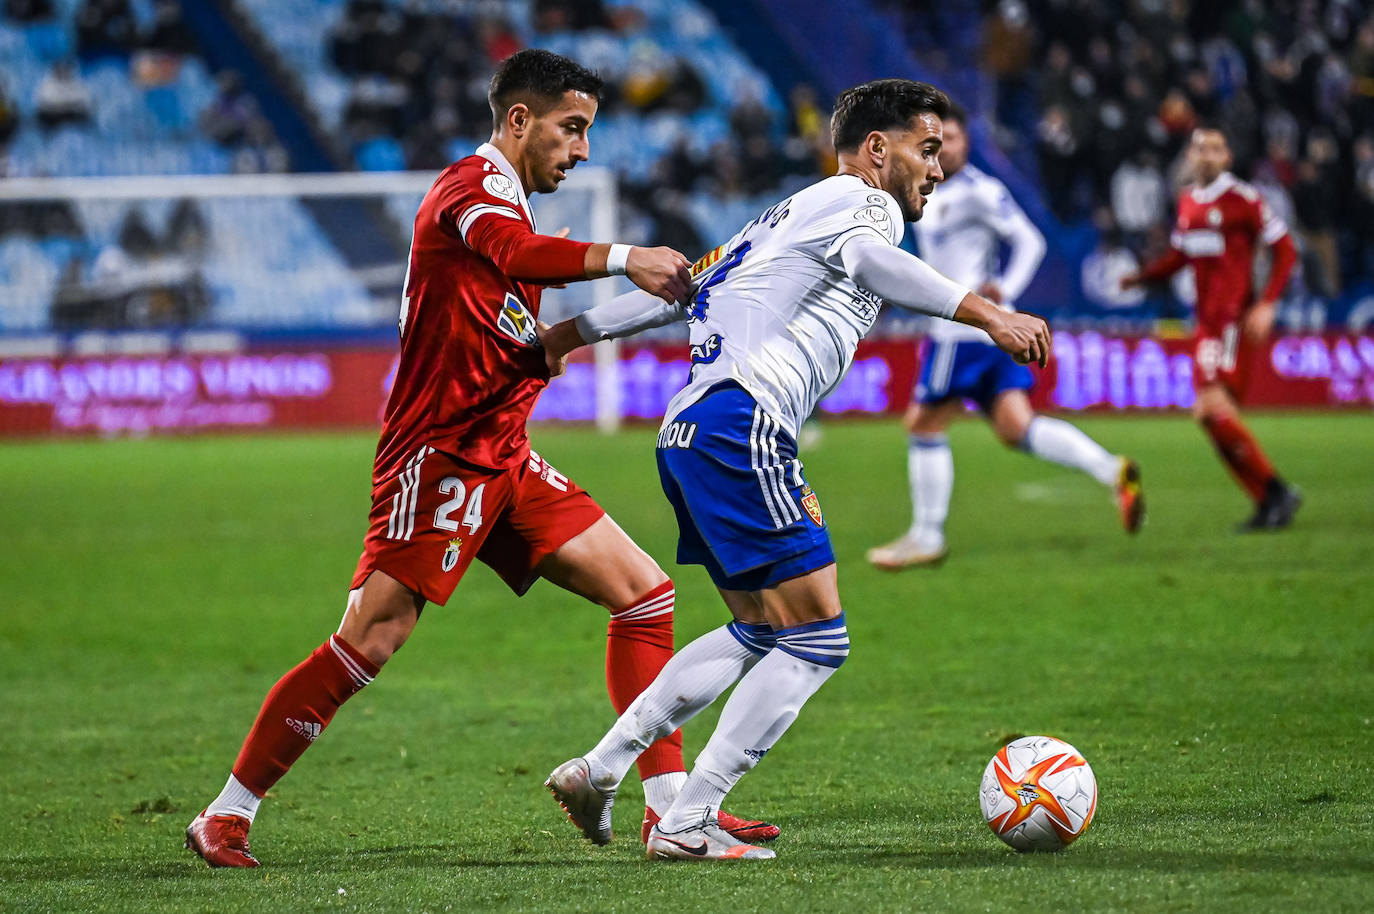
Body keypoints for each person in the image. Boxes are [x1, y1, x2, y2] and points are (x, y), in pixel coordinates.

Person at [184, 49, 775, 869]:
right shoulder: (470, 189)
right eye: (573, 129)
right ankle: (227, 813)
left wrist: (602, 321)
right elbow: (514, 253)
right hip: (439, 460)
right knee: (371, 638)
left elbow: (525, 333)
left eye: (589, 132)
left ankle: (669, 813)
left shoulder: (515, 218)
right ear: (518, 120)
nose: (583, 149)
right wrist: (622, 255)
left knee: (644, 595)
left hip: (505, 458)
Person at [538, 79, 1051, 861]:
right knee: (818, 639)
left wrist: (566, 335)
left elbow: (681, 290)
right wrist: (990, 314)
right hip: (744, 425)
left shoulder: (782, 215)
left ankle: (601, 768)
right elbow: (875, 264)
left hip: (690, 430)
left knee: (757, 627)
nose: (938, 169)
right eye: (927, 148)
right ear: (877, 150)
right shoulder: (862, 205)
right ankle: (687, 819)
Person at [867, 105, 1142, 571]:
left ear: (967, 144)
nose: (943, 149)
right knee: (1017, 427)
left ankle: (927, 536)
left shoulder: (979, 192)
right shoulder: (927, 188)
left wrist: (1006, 292)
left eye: (951, 140)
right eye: (934, 143)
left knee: (923, 423)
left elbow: (1031, 241)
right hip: (983, 331)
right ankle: (1111, 470)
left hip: (962, 331)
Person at [1121, 125, 1301, 530]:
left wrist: (1268, 304)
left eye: (1215, 148)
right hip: (1206, 321)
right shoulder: (1187, 202)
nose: (1205, 155)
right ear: (1190, 155)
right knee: (1210, 415)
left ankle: (1274, 492)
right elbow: (1181, 257)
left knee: (1211, 409)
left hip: (1232, 320)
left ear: (1227, 157)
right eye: (1199, 147)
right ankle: (1270, 498)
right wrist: (1142, 278)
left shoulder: (1245, 199)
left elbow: (1286, 250)